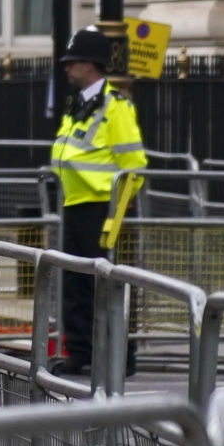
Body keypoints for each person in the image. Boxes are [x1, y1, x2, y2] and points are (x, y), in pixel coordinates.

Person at [47, 25, 145, 377]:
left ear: (88, 65)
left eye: (71, 62)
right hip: (73, 204)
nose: (66, 67)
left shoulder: (115, 107)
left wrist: (117, 216)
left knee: (107, 284)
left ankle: (120, 355)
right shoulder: (77, 103)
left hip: (102, 207)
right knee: (74, 283)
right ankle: (81, 352)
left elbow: (133, 165)